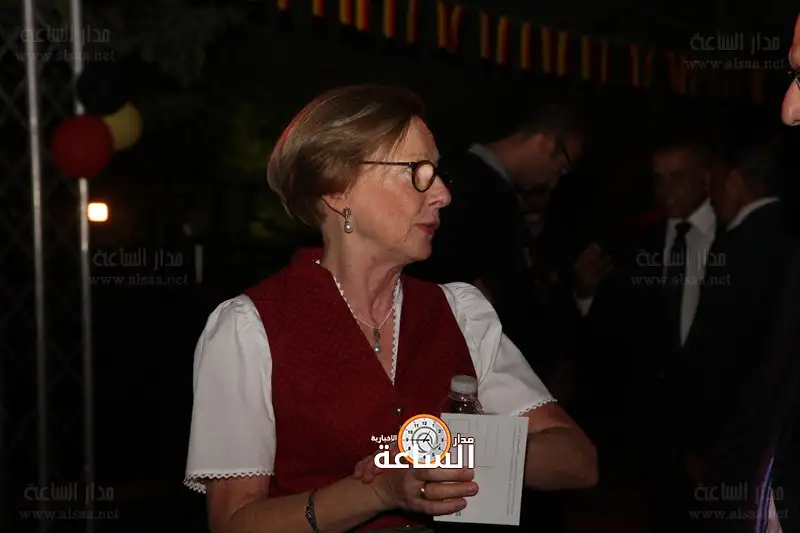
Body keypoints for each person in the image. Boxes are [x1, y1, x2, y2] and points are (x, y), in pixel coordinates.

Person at [183, 84, 597, 533]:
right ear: (338, 189)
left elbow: (578, 460)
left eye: (438, 173)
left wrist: (457, 451)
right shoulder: (250, 327)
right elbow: (234, 523)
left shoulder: (460, 313)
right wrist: (378, 491)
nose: (443, 194)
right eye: (418, 172)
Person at [573, 134, 717, 532]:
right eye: (658, 178)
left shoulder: (735, 239)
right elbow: (613, 329)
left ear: (706, 179)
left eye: (677, 177)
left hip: (720, 423)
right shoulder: (639, 243)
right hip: (653, 429)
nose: (665, 189)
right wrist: (585, 293)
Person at [407, 101, 584, 381]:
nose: (554, 182)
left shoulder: (474, 180)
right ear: (546, 142)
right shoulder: (480, 192)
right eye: (561, 168)